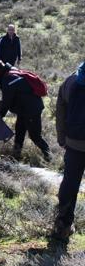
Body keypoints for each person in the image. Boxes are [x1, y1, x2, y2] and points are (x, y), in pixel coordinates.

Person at [0, 60, 51, 161]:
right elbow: (11, 97)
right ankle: (16, 156)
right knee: (19, 131)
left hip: (31, 110)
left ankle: (49, 156)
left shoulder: (8, 79)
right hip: (24, 109)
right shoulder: (12, 72)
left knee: (35, 136)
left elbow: (7, 102)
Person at [52, 61, 85, 243]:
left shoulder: (71, 81)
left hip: (74, 143)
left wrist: (62, 138)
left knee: (70, 184)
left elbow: (60, 112)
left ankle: (62, 226)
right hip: (74, 142)